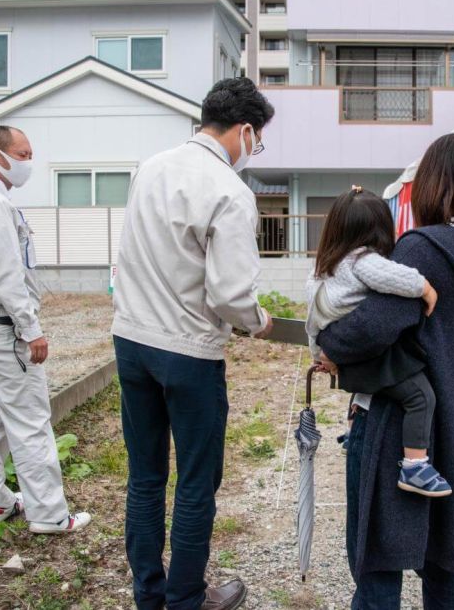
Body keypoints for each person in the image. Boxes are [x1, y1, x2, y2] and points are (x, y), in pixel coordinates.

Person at [316, 133, 454, 609]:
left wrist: (329, 345)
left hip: (395, 428)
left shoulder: (421, 250)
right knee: (449, 563)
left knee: (380, 562)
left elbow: (372, 328)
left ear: (428, 186)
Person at [111, 77, 275, 610]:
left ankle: (148, 596)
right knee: (196, 483)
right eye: (259, 139)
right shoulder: (230, 191)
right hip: (189, 351)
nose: (254, 150)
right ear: (245, 130)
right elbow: (230, 293)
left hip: (132, 340)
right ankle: (185, 599)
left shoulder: (149, 167)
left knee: (145, 477)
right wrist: (259, 321)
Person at [0, 125, 91, 534]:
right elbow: (7, 274)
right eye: (23, 153)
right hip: (0, 328)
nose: (29, 162)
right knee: (30, 420)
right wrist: (31, 329)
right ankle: (48, 515)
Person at [306, 186, 448, 497]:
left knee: (365, 391)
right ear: (379, 228)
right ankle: (415, 467)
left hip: (337, 345)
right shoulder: (362, 259)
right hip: (367, 353)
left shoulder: (324, 266)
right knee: (420, 396)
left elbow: (312, 318)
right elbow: (400, 278)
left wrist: (318, 352)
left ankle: (351, 431)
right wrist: (426, 288)